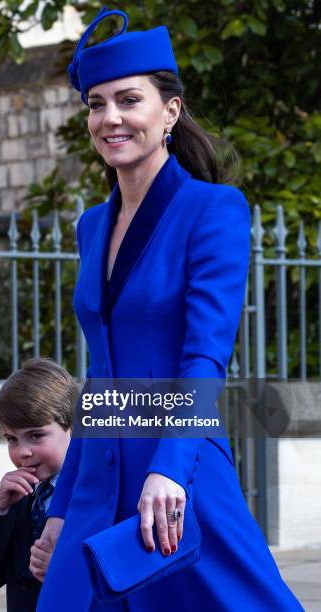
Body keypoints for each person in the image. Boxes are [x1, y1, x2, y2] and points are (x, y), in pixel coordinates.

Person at [34, 7, 303, 611]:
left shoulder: (215, 209)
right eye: (96, 104)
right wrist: (62, 504)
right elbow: (102, 379)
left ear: (170, 112)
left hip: (176, 467)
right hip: (99, 473)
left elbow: (206, 354)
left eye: (129, 100)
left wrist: (171, 468)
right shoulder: (91, 225)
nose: (111, 118)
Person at [0, 358, 76, 612]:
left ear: (72, 425)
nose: (23, 452)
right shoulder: (18, 496)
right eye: (11, 439)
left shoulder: (96, 494)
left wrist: (66, 569)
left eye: (36, 435)